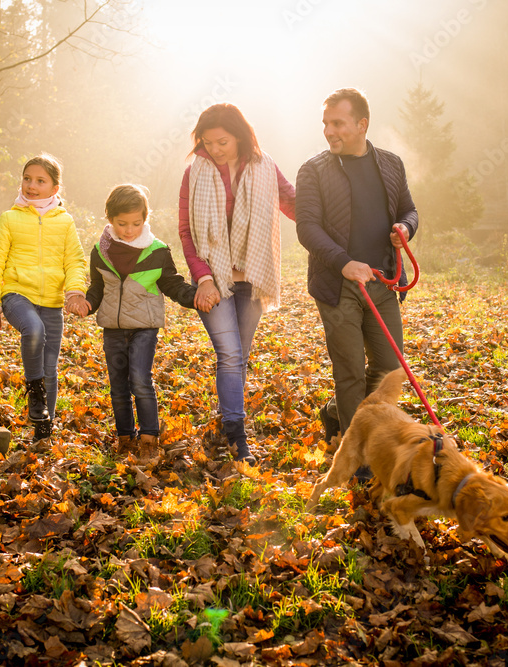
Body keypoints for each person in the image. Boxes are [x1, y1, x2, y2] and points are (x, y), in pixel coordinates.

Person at [295, 88, 419, 475]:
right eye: (326, 124)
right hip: (338, 285)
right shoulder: (313, 170)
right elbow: (308, 228)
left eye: (338, 124)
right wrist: (344, 262)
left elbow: (409, 210)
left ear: (361, 124)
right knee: (348, 369)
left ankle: (335, 412)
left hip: (383, 282)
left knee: (388, 370)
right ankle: (360, 457)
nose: (329, 131)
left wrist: (405, 229)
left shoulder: (391, 164)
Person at [179, 103, 296, 464]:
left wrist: (331, 224)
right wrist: (203, 278)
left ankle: (228, 419)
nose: (214, 149)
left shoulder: (264, 166)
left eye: (222, 142)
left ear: (241, 136)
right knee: (229, 355)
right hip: (212, 280)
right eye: (207, 142)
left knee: (239, 357)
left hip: (252, 277)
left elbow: (293, 202)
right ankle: (236, 433)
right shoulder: (194, 173)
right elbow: (186, 232)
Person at [84, 184, 199, 454]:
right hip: (113, 329)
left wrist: (193, 297)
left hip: (144, 328)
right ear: (110, 219)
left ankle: (149, 438)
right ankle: (125, 437)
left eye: (136, 223)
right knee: (118, 385)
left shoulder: (157, 250)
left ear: (145, 218)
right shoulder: (100, 251)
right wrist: (87, 303)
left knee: (139, 379)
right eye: (122, 223)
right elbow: (97, 289)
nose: (129, 229)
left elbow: (172, 283)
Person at [0, 154, 88, 441]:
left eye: (40, 181)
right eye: (27, 179)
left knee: (50, 368)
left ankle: (43, 433)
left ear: (55, 188)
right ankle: (35, 390)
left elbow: (75, 261)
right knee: (33, 330)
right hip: (17, 295)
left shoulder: (64, 222)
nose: (31, 185)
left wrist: (75, 291)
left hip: (52, 302)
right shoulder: (10, 219)